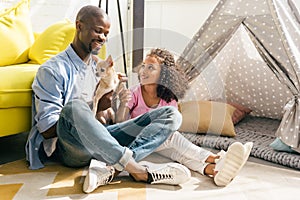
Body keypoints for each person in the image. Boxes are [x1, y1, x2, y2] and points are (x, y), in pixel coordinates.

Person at [25, 6, 192, 194]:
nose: (103, 38)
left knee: (171, 115)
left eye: (106, 33)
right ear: (79, 26)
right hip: (72, 148)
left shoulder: (100, 67)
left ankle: (113, 168)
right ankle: (136, 169)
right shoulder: (53, 70)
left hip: (103, 142)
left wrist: (107, 106)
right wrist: (90, 112)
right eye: (98, 31)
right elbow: (47, 129)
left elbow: (106, 120)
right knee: (74, 108)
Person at [114, 48, 253, 186]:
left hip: (158, 141)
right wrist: (123, 104)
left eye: (151, 67)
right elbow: (119, 123)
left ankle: (214, 171)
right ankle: (217, 158)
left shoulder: (168, 98)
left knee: (177, 154)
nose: (144, 70)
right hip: (137, 140)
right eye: (143, 66)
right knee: (173, 139)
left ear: (163, 75)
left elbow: (170, 127)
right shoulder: (134, 92)